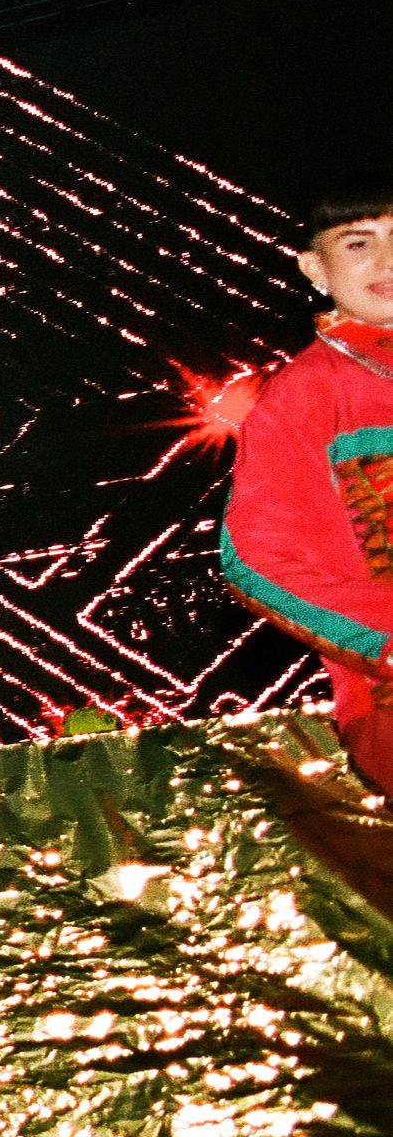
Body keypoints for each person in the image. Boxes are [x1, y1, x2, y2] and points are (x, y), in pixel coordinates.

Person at [222, 189, 393, 791]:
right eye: (358, 244)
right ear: (315, 269)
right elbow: (255, 559)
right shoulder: (306, 395)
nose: (388, 260)